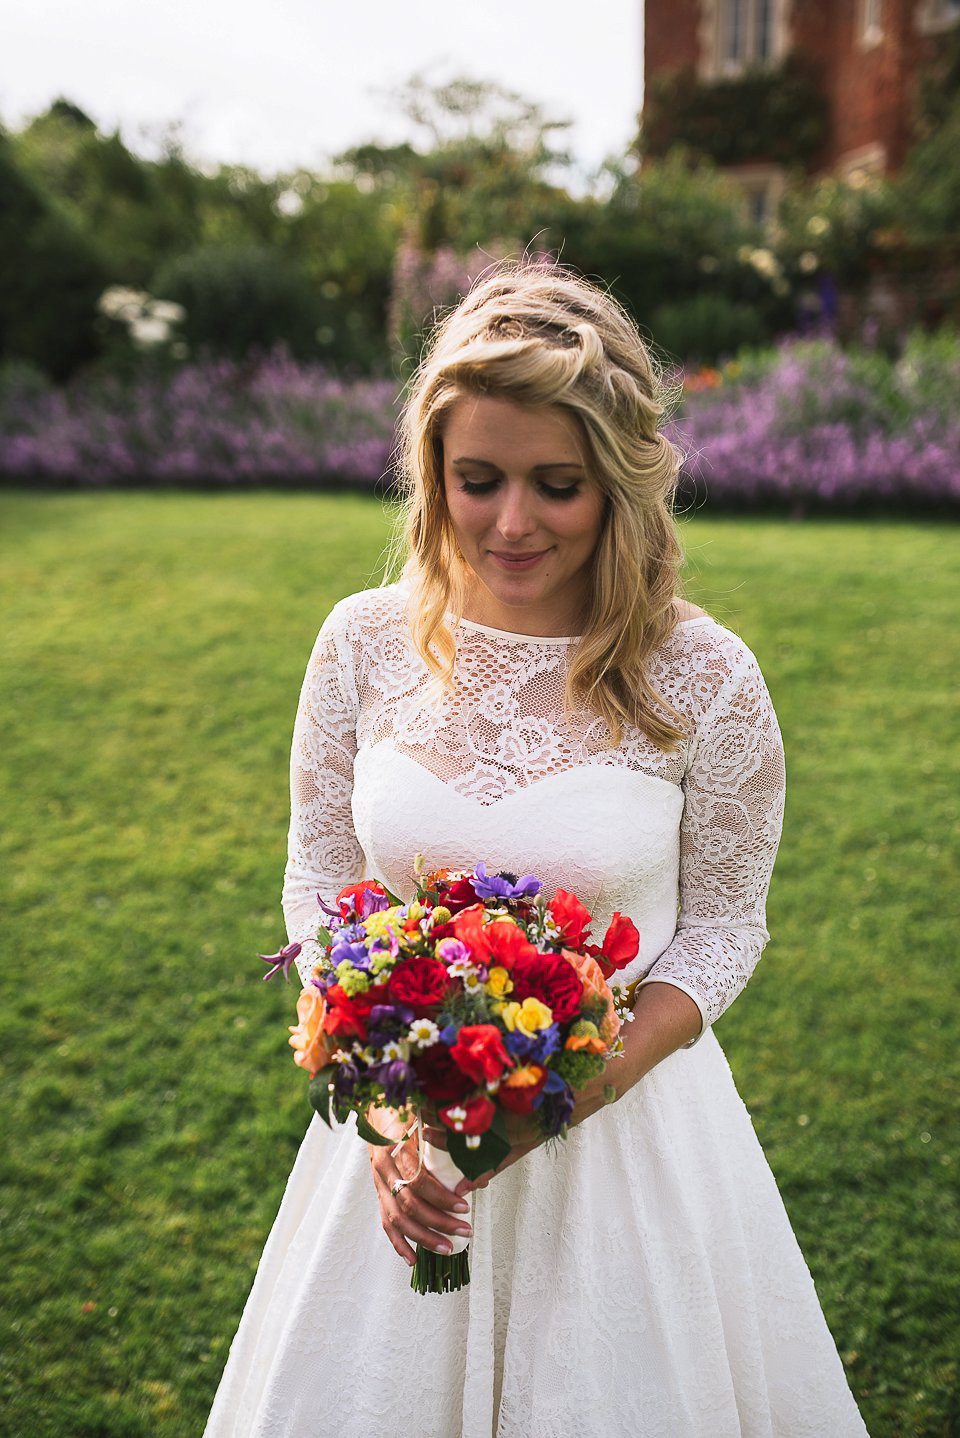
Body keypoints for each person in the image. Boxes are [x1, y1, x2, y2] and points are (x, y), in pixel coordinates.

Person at [203, 262, 869, 1437]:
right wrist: (393, 1118)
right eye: (478, 480)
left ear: (621, 482)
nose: (513, 523)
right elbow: (322, 879)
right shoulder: (361, 644)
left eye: (557, 486)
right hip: (402, 1151)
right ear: (433, 474)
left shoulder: (704, 676)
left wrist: (551, 1104)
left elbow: (722, 926)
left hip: (628, 1150)